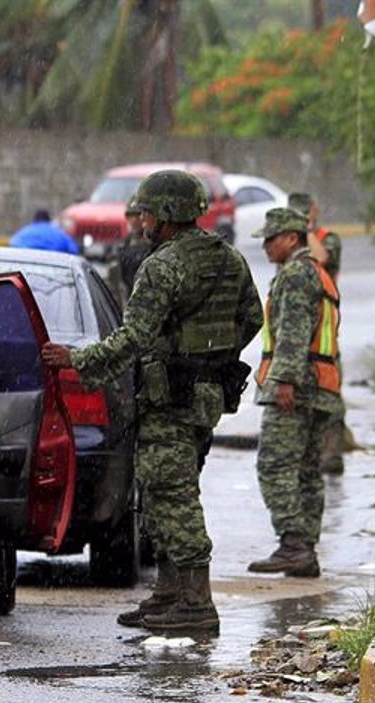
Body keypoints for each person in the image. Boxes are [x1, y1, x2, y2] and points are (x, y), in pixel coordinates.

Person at [42, 170, 261, 634]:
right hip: (205, 396)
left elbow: (134, 337)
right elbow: (252, 318)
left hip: (170, 397)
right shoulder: (230, 260)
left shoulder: (162, 266)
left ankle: (196, 603)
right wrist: (213, 355)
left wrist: (76, 360)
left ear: (166, 215)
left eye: (145, 212)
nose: (139, 220)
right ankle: (168, 594)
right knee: (164, 490)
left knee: (172, 495)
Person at [249, 207, 341, 577]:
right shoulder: (316, 273)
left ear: (291, 238)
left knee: (274, 464)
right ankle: (304, 550)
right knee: (305, 470)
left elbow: (293, 332)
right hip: (319, 386)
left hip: (296, 387)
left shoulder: (296, 275)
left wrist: (284, 380)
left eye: (271, 239)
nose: (266, 247)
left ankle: (293, 544)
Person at [289, 192, 349, 475]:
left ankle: (332, 455)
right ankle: (306, 455)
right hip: (297, 329)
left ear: (314, 211)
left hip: (324, 329)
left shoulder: (327, 238)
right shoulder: (288, 242)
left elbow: (323, 257)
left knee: (330, 394)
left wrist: (306, 230)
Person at [115, 198, 152, 302]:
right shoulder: (123, 246)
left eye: (138, 215)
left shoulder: (155, 244)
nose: (134, 220)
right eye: (131, 216)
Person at [9, 209, 79, 254]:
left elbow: (13, 244)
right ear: (49, 219)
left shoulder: (22, 233)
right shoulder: (60, 234)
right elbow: (73, 250)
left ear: (34, 219)